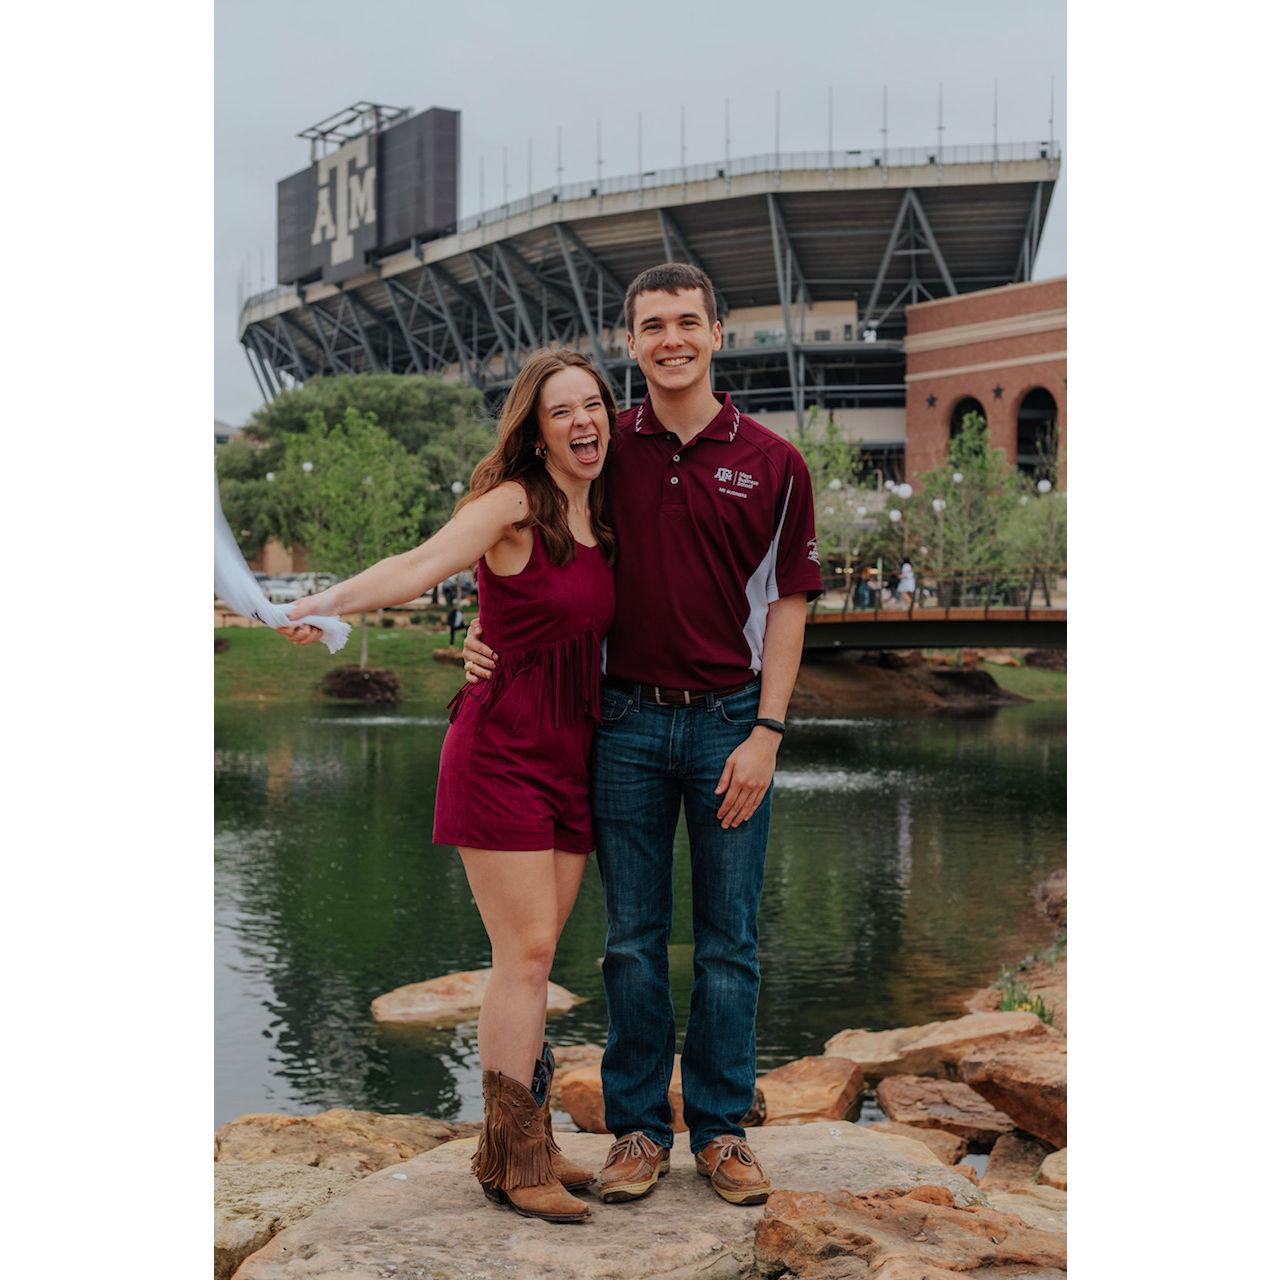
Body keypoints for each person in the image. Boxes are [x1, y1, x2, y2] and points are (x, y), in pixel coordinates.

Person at [465, 262, 823, 1207]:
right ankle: (633, 1130)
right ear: (632, 342)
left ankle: (720, 1130)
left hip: (728, 728)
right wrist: (482, 626)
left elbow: (789, 606)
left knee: (729, 941)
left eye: (687, 322)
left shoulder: (775, 461)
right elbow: (517, 533)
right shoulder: (599, 443)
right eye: (652, 325)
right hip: (619, 723)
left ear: (717, 332)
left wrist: (769, 733)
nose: (671, 339)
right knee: (629, 940)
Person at [278, 349, 617, 1224]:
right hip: (500, 745)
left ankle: (525, 1139)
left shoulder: (604, 516)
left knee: (542, 961)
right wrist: (326, 604)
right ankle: (512, 1158)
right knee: (527, 951)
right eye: (561, 411)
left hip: (573, 751)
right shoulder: (513, 505)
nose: (583, 422)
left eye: (593, 405)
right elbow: (419, 564)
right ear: (534, 432)